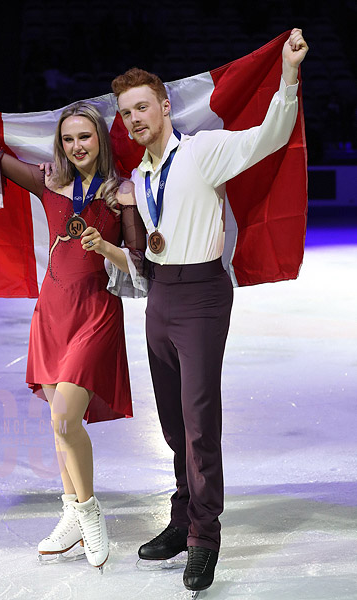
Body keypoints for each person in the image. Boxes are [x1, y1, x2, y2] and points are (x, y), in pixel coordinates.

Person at [0, 96, 147, 569]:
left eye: (85, 136)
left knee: (64, 420)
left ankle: (90, 512)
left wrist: (106, 249)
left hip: (96, 312)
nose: (78, 146)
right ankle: (71, 514)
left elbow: (139, 263)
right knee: (58, 426)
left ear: (100, 138)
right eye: (69, 139)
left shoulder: (121, 193)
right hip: (52, 312)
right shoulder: (49, 182)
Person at [110, 28, 308, 593]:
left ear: (165, 106)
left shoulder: (201, 150)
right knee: (173, 423)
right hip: (159, 296)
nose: (134, 119)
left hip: (200, 294)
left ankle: (205, 537)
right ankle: (182, 517)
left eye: (142, 107)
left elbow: (269, 137)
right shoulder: (140, 178)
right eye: (126, 113)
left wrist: (288, 75)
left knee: (199, 424)